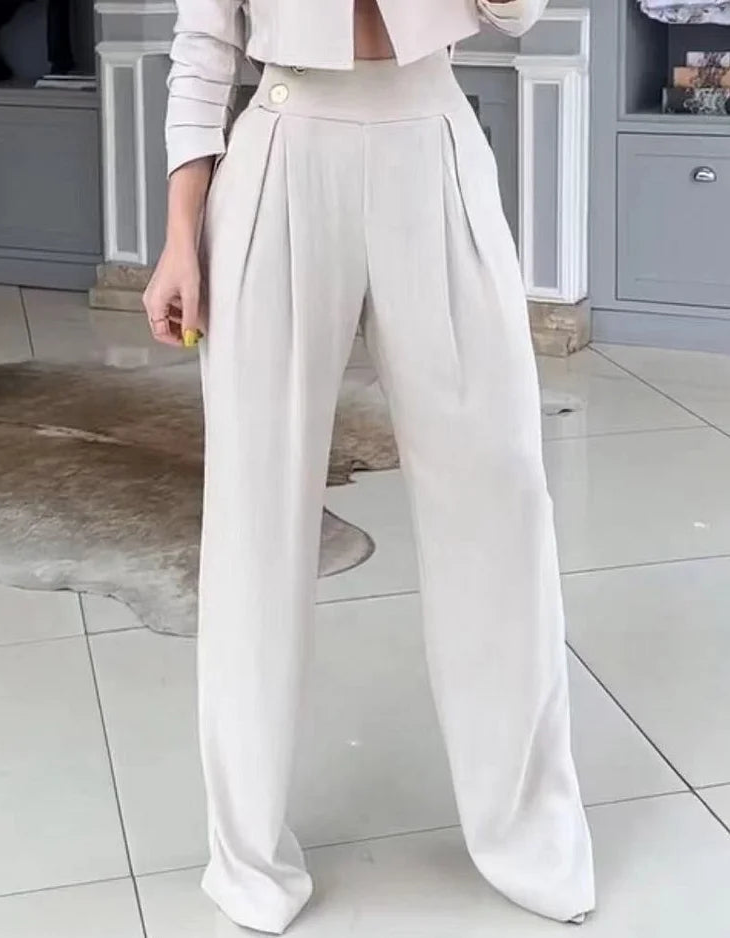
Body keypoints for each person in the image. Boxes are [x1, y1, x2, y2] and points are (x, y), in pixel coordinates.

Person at [143, 0, 596, 933]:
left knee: (500, 499)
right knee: (256, 514)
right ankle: (248, 853)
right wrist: (181, 236)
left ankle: (529, 831)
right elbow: (203, 44)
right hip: (279, 148)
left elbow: (514, 15)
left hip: (433, 138)